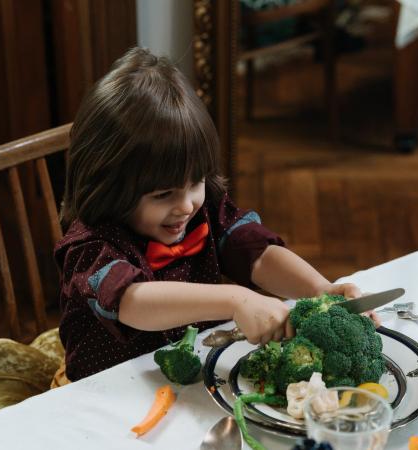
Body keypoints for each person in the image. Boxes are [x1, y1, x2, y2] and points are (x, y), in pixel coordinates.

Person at [55, 47, 362, 382]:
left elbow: (256, 253)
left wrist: (319, 288)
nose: (187, 205)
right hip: (106, 391)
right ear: (109, 186)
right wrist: (235, 299)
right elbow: (133, 301)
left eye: (196, 182)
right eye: (163, 194)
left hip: (193, 376)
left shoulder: (204, 208)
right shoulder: (89, 245)